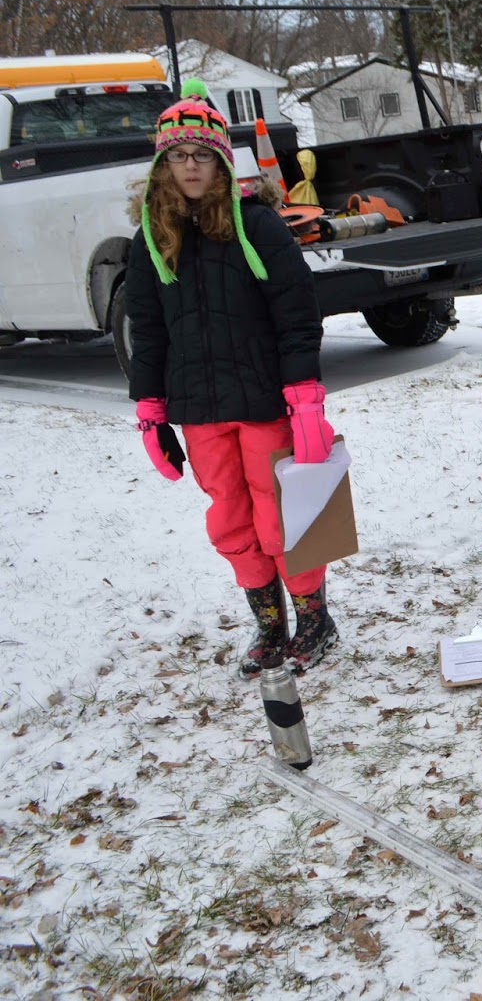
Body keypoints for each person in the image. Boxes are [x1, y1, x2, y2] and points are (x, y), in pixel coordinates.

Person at [124, 80, 338, 677]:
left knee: (280, 514)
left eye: (202, 154)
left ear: (221, 160)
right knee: (230, 518)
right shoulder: (151, 239)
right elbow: (148, 329)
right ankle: (269, 624)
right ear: (163, 166)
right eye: (178, 156)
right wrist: (151, 411)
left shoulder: (258, 225)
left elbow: (296, 314)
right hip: (199, 409)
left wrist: (305, 399)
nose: (191, 166)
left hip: (263, 400)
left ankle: (314, 618)